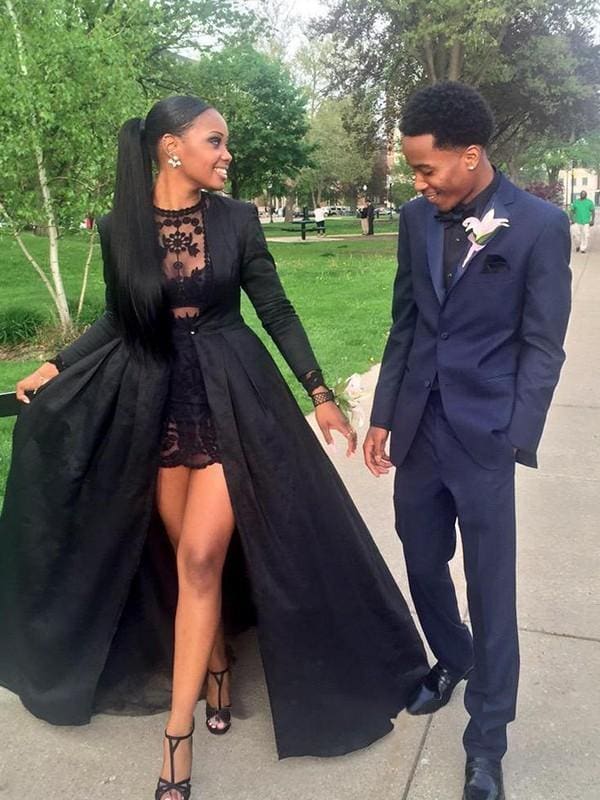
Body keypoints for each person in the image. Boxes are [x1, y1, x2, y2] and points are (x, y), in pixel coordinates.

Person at [0, 96, 428, 800]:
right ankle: (219, 661)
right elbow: (120, 318)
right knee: (181, 557)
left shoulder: (238, 220)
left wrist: (319, 392)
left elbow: (275, 307)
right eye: (215, 140)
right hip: (157, 401)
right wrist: (56, 365)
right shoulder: (118, 227)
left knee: (201, 555)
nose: (228, 154)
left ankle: (177, 738)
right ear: (172, 147)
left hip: (233, 395)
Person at [363, 82, 571, 800]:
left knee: (491, 590)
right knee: (422, 561)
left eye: (427, 169)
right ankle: (453, 657)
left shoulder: (539, 225)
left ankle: (487, 741)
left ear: (471, 156)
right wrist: (384, 415)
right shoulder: (415, 218)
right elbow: (406, 322)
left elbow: (543, 344)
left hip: (485, 438)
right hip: (419, 428)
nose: (419, 183)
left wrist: (516, 433)